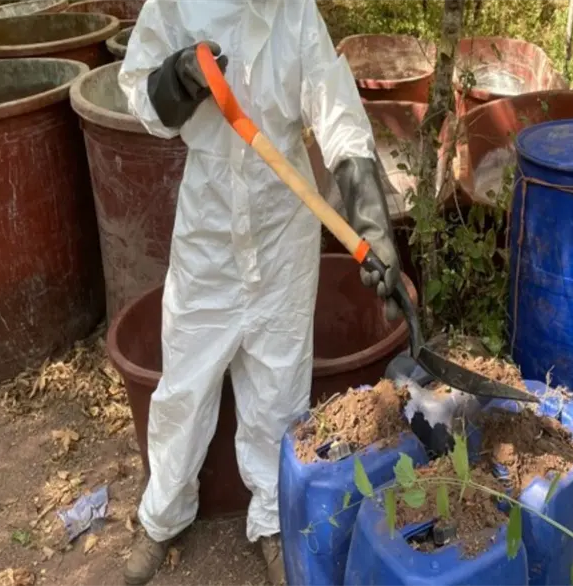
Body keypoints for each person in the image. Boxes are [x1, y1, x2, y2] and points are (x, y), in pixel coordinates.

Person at [118, 1, 401, 584]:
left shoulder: (294, 11)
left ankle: (272, 520)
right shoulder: (174, 4)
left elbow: (337, 112)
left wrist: (372, 224)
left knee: (279, 385)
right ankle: (163, 515)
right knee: (185, 382)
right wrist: (175, 79)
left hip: (281, 228)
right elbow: (139, 94)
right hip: (209, 230)